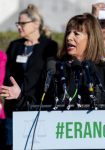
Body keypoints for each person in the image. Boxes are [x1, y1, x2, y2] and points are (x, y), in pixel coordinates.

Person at [0, 4, 58, 149]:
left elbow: (49, 75)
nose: (19, 26)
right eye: (17, 23)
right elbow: (8, 72)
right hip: (13, 106)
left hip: (36, 105)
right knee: (10, 145)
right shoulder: (14, 45)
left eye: (22, 23)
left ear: (36, 23)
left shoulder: (49, 45)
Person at [43, 13, 105, 108]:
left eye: (76, 34)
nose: (69, 38)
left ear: (91, 39)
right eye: (68, 33)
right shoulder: (56, 67)